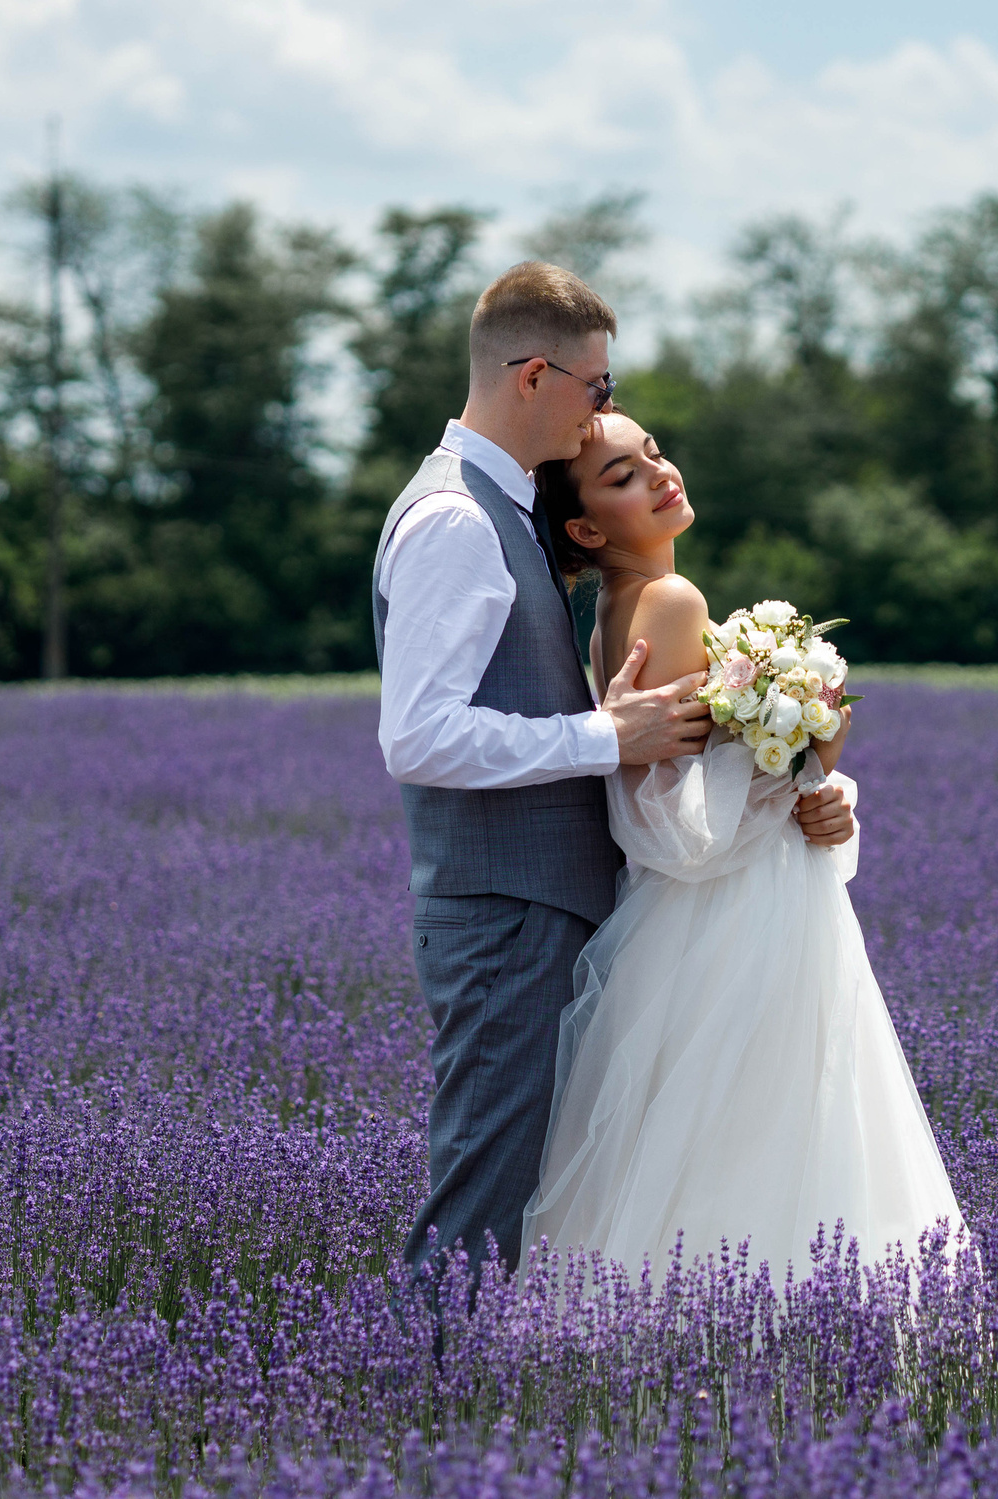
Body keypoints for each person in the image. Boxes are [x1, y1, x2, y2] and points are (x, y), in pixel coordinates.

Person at [372, 260, 854, 1283]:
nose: (608, 405)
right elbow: (417, 737)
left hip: (545, 904)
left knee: (534, 1195)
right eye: (598, 387)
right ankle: (415, 1396)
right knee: (486, 1192)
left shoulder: (505, 517)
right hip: (506, 909)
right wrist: (608, 737)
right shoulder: (458, 519)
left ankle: (459, 1399)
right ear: (536, 375)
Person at [515, 409, 963, 1280]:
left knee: (701, 1147)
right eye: (622, 476)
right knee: (780, 1133)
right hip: (735, 920)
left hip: (679, 927)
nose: (658, 471)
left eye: (651, 452)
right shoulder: (671, 602)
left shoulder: (612, 610)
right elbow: (678, 827)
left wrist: (803, 767)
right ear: (584, 527)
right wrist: (809, 749)